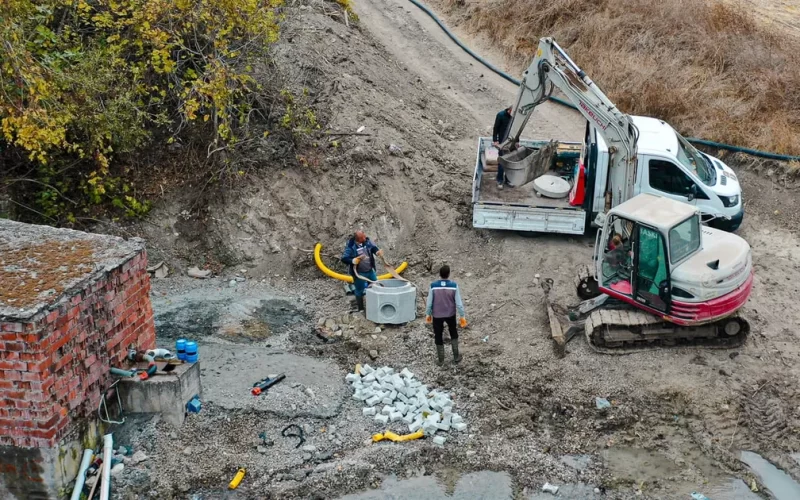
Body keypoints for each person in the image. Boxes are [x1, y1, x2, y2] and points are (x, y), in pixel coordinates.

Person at [425, 265, 467, 366]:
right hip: (450, 314)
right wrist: (462, 316)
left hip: (437, 315)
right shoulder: (454, 286)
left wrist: (428, 314)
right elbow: (459, 303)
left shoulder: (433, 286)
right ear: (448, 274)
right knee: (453, 333)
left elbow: (429, 302)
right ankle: (456, 356)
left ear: (439, 274)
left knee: (438, 335)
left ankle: (441, 360)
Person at [341, 231, 383, 312]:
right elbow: (344, 258)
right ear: (358, 239)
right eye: (363, 237)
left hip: (370, 271)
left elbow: (373, 248)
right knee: (359, 290)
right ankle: (361, 309)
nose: (365, 238)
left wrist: (377, 252)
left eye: (364, 236)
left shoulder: (367, 241)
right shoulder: (351, 246)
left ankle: (378, 305)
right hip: (359, 273)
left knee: (376, 285)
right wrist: (353, 260)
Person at [492, 106, 513, 190]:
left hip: (511, 142)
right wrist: (495, 140)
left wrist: (517, 141)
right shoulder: (500, 115)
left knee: (510, 161)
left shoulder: (514, 117)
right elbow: (496, 128)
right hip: (502, 142)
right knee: (502, 162)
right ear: (509, 110)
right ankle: (500, 180)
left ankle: (508, 180)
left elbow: (516, 130)